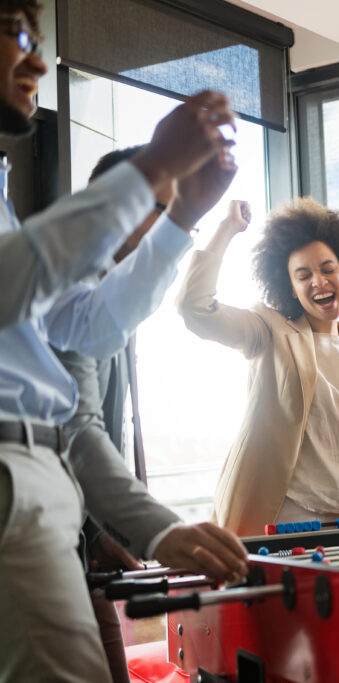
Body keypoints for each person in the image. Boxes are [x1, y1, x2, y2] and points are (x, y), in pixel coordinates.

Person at [0, 2, 248, 679]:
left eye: (41, 39)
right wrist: (150, 171)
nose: (37, 61)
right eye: (16, 33)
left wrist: (184, 216)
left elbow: (86, 324)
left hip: (41, 481)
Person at [53, 145, 220, 683]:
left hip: (72, 539)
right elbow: (77, 434)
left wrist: (98, 532)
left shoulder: (113, 297)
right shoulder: (76, 286)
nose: (173, 240)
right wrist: (163, 533)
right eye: (166, 216)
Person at [177, 197, 339, 536]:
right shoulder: (268, 331)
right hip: (282, 522)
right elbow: (194, 308)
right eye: (304, 275)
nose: (319, 281)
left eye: (328, 269)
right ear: (292, 290)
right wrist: (226, 228)